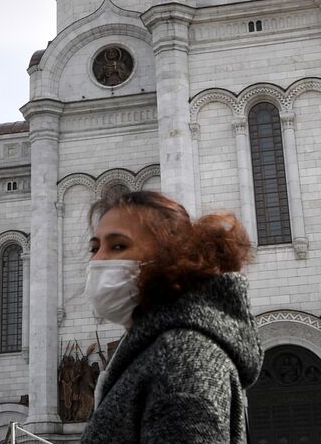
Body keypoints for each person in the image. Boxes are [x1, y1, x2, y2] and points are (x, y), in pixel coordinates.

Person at [79, 190, 261, 444]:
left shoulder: (182, 356)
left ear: (169, 257)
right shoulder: (153, 350)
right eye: (94, 248)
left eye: (118, 245)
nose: (97, 260)